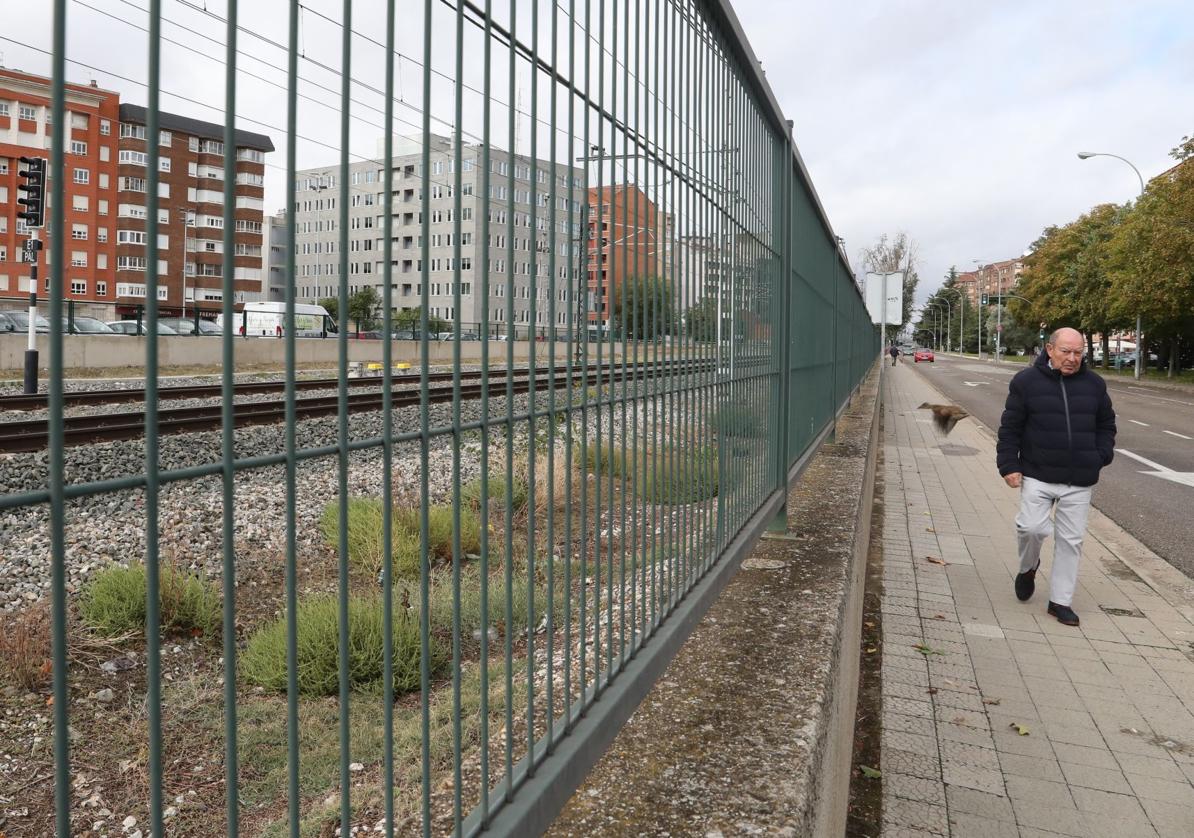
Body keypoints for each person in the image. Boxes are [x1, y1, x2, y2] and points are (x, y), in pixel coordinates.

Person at [996, 327, 1116, 626]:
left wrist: (1101, 455)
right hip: (1038, 472)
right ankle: (1028, 567)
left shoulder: (1094, 384)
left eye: (1078, 352)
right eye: (1066, 351)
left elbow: (1106, 425)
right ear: (1050, 350)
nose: (1072, 358)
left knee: (1071, 541)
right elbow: (1010, 427)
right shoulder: (1026, 382)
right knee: (1031, 529)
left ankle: (1059, 602)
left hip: (1080, 478)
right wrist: (1009, 465)